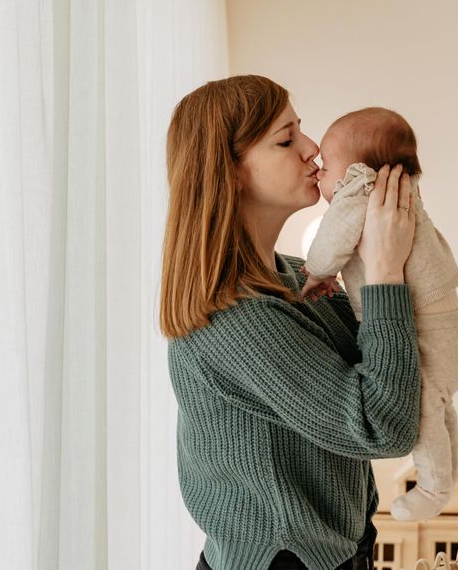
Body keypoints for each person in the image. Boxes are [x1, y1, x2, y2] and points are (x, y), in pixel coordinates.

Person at [161, 76, 420, 570]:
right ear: (231, 171)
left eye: (300, 130)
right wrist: (386, 272)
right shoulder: (236, 319)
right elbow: (381, 426)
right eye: (286, 140)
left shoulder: (298, 276)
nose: (312, 149)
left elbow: (389, 374)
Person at [301, 107, 458, 522]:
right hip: (451, 328)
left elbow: (332, 238)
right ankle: (450, 468)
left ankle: (434, 488)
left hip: (426, 333)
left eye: (327, 165)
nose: (319, 171)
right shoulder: (404, 192)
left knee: (423, 407)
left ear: (357, 170)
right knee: (438, 403)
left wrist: (316, 271)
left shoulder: (361, 191)